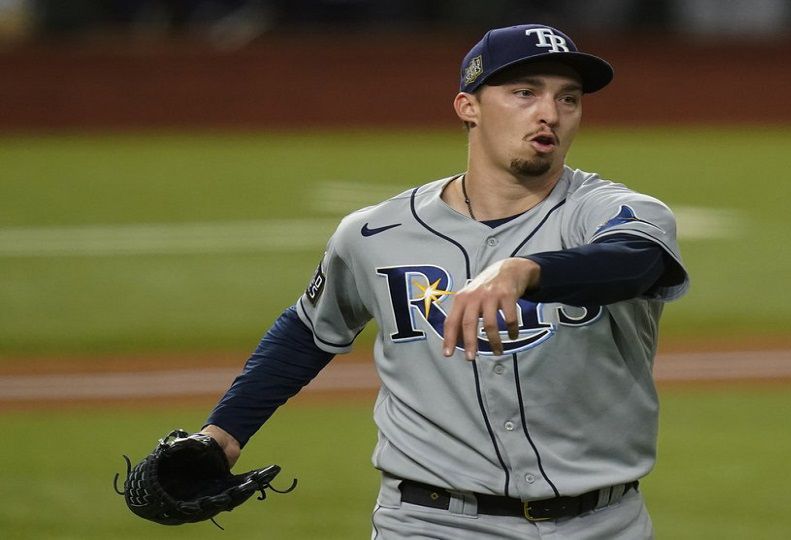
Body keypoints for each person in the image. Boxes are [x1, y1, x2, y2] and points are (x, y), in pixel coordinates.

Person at [200, 23, 689, 539]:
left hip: (601, 526)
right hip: (428, 524)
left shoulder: (613, 211)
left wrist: (526, 271)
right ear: (468, 107)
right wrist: (222, 434)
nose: (550, 113)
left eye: (568, 98)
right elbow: (307, 331)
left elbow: (638, 260)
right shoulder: (376, 234)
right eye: (524, 93)